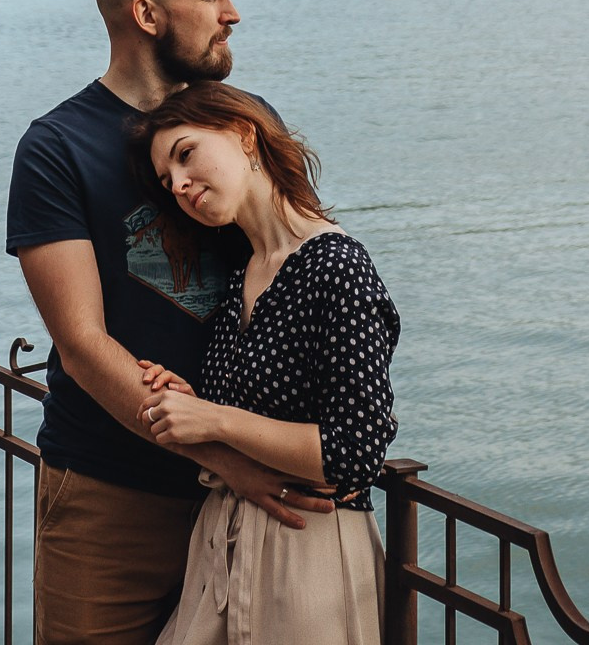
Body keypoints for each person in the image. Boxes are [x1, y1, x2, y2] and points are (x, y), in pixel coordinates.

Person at [6, 0, 334, 645]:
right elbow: (84, 343)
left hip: (256, 497)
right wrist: (220, 460)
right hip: (112, 496)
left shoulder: (245, 122)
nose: (233, 12)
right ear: (147, 15)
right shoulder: (56, 149)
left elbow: (304, 266)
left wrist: (271, 454)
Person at [129, 82, 400, 645]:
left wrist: (214, 421)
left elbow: (355, 452)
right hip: (224, 546)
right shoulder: (243, 273)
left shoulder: (339, 268)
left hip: (310, 555)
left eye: (186, 154)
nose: (179, 185)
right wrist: (192, 403)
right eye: (166, 181)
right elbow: (255, 409)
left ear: (244, 134)